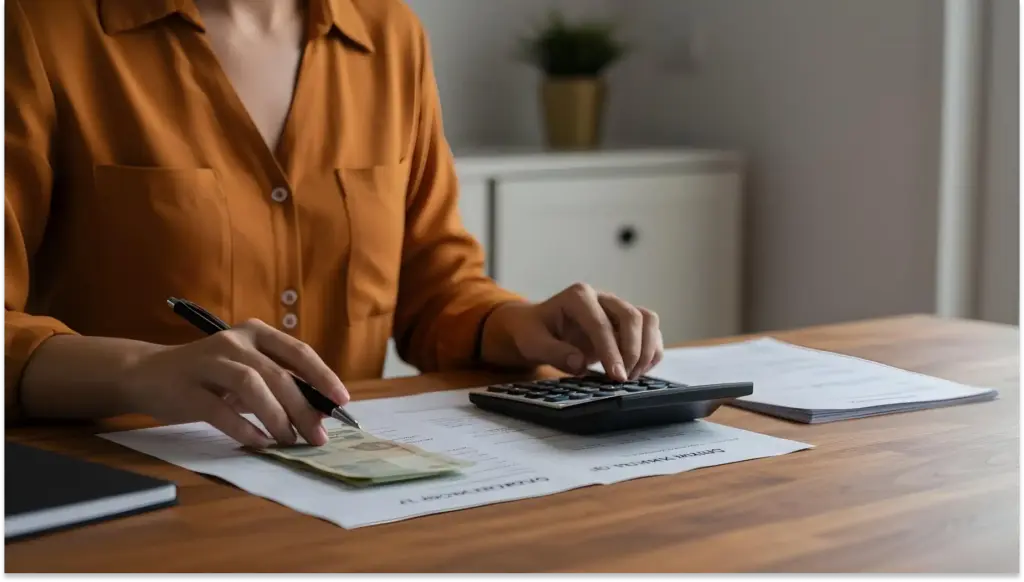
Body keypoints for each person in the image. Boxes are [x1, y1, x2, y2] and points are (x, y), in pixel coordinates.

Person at [3, 0, 664, 448]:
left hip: (343, 488)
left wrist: (516, 323)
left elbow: (435, 288)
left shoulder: (390, 36)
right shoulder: (37, 28)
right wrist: (139, 371)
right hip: (125, 492)